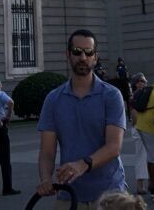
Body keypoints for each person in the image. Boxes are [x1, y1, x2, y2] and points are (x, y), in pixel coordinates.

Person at [37, 28, 127, 210]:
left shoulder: (111, 95)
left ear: (95, 57)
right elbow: (47, 151)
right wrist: (46, 179)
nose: (83, 58)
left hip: (110, 194)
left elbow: (114, 147)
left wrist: (82, 165)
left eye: (89, 52)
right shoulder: (53, 99)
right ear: (68, 55)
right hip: (69, 194)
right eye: (77, 52)